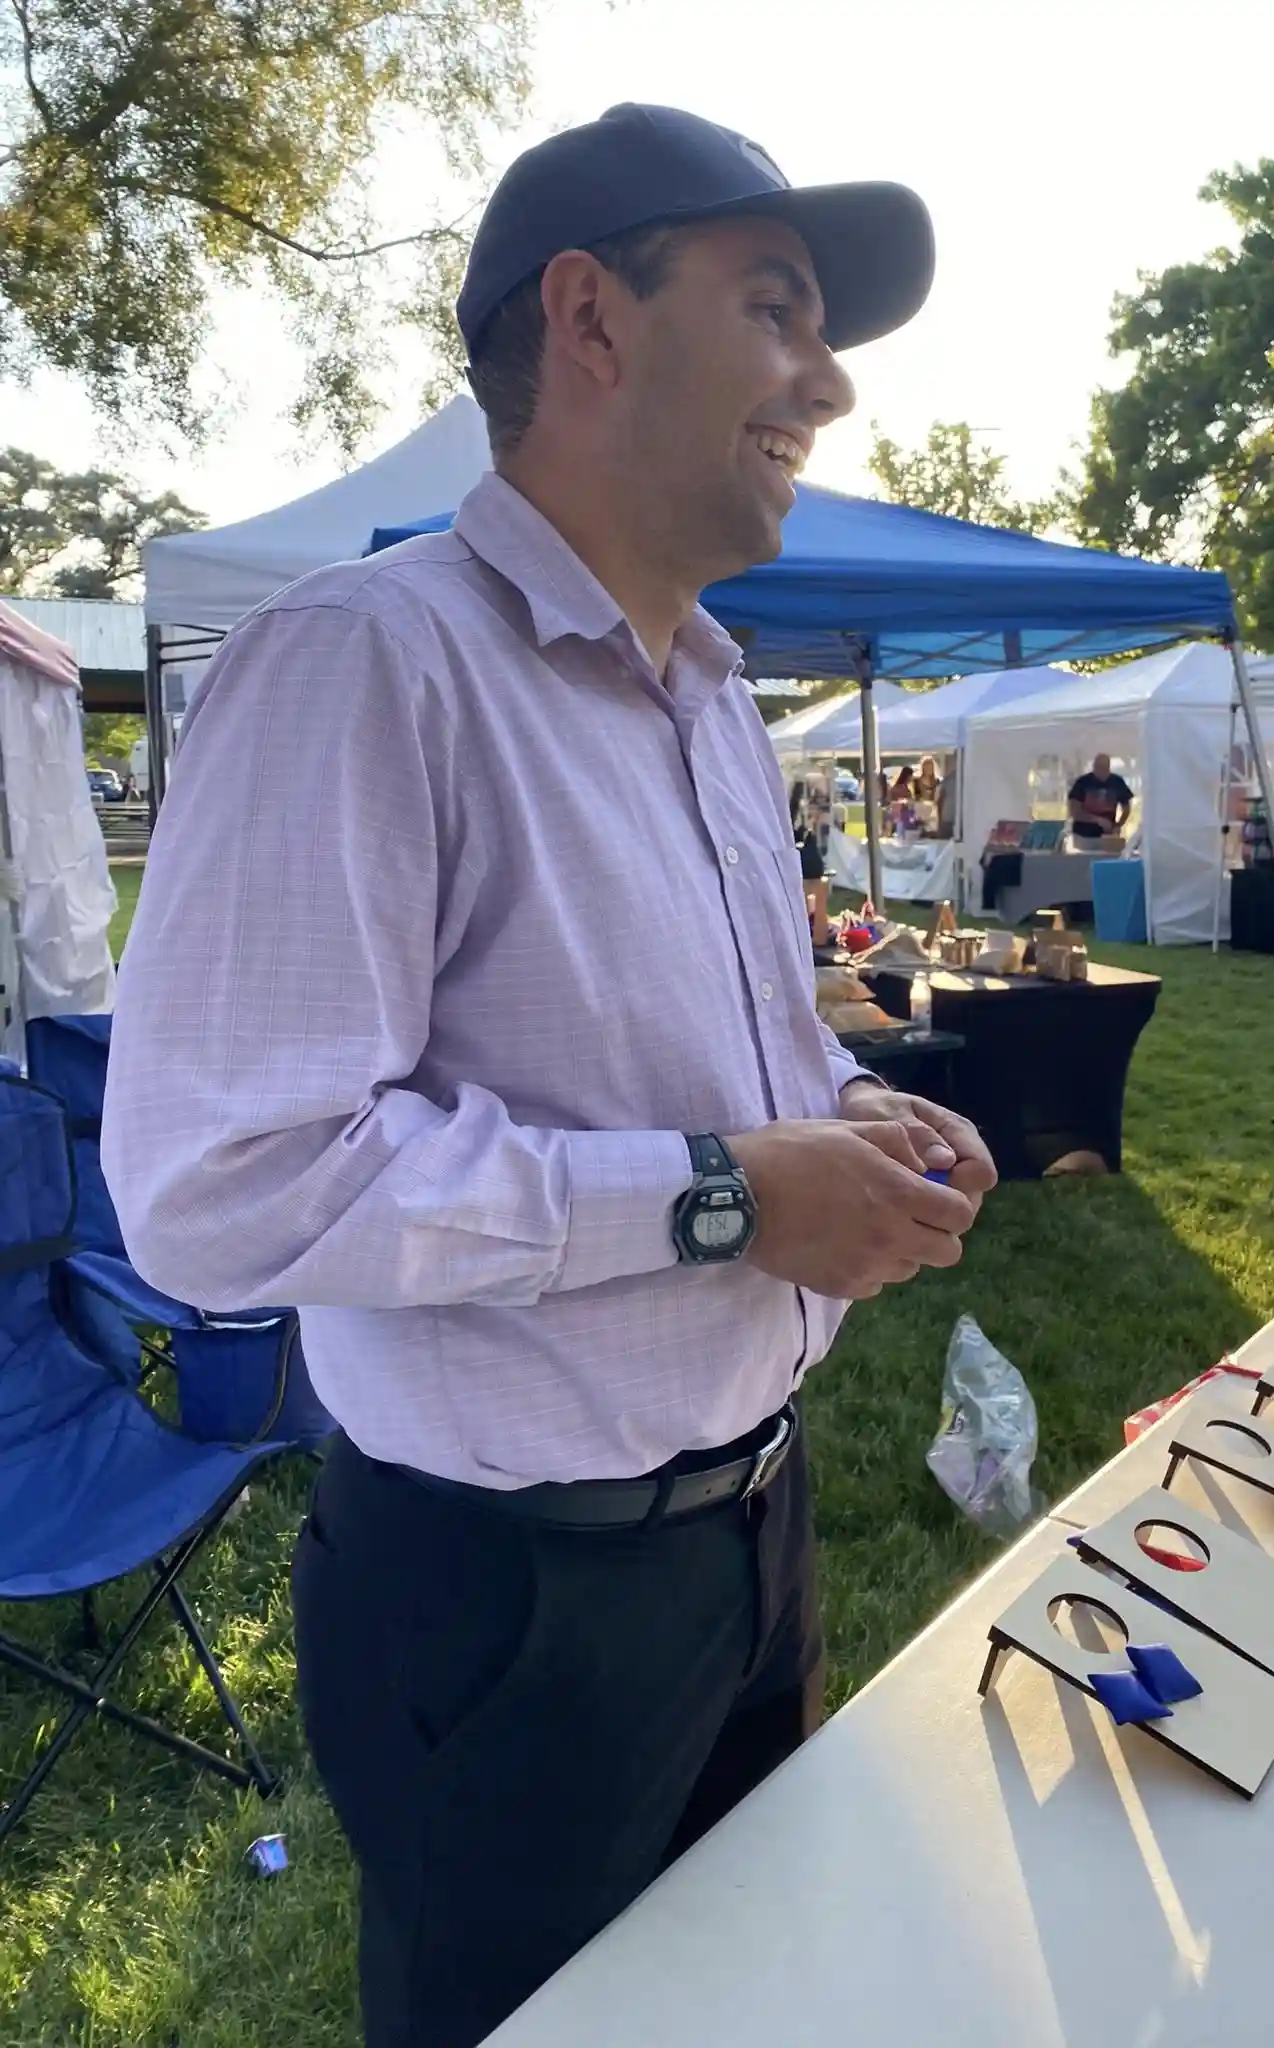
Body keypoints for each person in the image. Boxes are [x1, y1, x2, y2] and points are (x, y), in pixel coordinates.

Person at [102, 104, 993, 2048]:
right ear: (589, 319)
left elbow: (722, 1050)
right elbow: (222, 1181)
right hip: (511, 1608)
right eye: (779, 311)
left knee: (750, 2008)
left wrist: (838, 1109)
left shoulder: (710, 690)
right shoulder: (367, 663)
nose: (830, 382)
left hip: (754, 1523)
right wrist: (740, 1193)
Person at [1068, 752, 1133, 840]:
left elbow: (1126, 808)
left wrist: (1118, 825)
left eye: (1102, 767)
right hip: (1082, 834)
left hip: (1107, 835)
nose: (1098, 769)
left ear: (1108, 767)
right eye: (1096, 766)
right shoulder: (1082, 782)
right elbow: (1074, 812)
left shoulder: (1117, 782)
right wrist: (1097, 820)